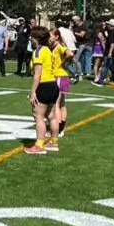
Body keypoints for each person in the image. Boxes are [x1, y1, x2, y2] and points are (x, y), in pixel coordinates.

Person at [25, 26, 59, 155]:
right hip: (53, 85)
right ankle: (54, 142)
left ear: (36, 38)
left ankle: (39, 145)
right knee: (51, 116)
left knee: (38, 116)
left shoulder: (38, 51)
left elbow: (37, 74)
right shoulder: (48, 50)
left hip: (43, 85)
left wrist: (33, 91)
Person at [50, 29, 73, 138]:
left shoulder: (59, 47)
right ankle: (61, 128)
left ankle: (57, 129)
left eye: (50, 36)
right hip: (62, 76)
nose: (49, 39)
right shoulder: (54, 48)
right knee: (62, 104)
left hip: (59, 76)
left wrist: (64, 62)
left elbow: (69, 53)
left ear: (57, 37)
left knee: (56, 104)